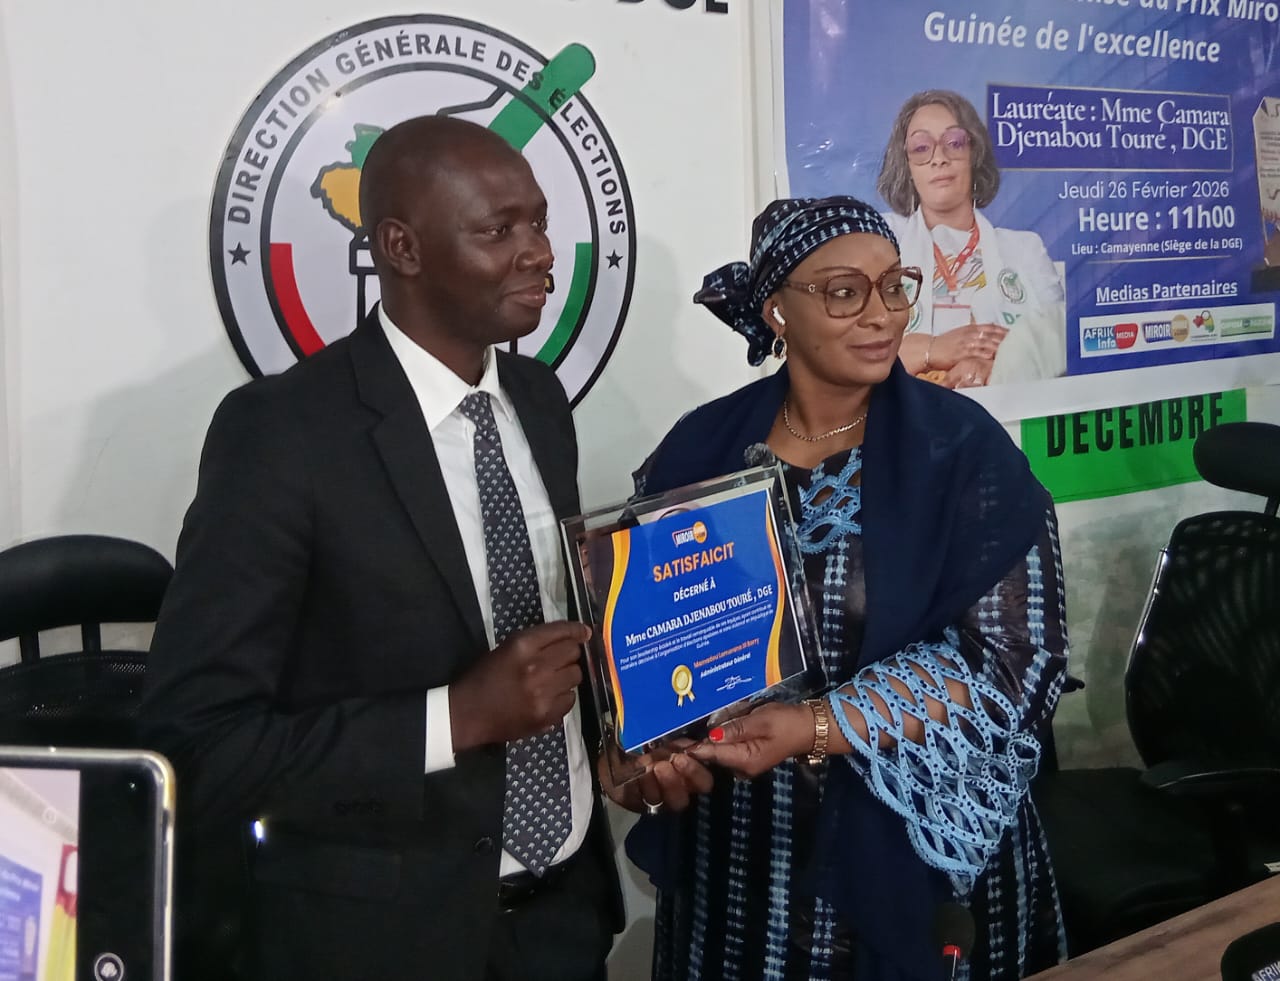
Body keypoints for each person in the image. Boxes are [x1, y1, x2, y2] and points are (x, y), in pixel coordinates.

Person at [140, 115, 622, 981]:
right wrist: (455, 717)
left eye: (540, 222)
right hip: (379, 942)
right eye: (498, 230)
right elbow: (198, 743)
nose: (541, 252)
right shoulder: (282, 434)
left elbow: (549, 637)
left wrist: (626, 734)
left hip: (564, 921)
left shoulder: (541, 401)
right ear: (402, 247)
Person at [613, 196, 1069, 979]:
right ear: (777, 311)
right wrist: (643, 748)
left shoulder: (962, 452)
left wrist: (816, 725)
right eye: (843, 291)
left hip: (914, 859)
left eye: (894, 285)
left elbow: (1013, 664)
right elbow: (644, 643)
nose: (881, 314)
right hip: (741, 861)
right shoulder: (699, 449)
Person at [878, 90, 1066, 389]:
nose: (939, 159)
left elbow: (1060, 344)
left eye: (953, 143)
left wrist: (998, 368)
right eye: (921, 147)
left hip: (1005, 410)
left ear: (974, 153)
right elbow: (849, 347)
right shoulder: (881, 239)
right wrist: (932, 349)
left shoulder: (1024, 249)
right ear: (906, 165)